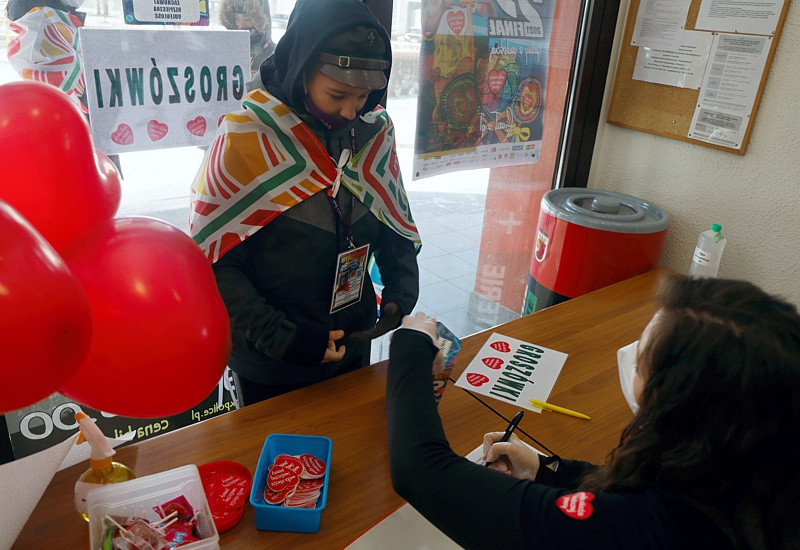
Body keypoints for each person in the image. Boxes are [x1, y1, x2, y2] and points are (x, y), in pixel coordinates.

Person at [387, 274, 800, 549]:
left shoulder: (646, 530)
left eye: (641, 364)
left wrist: (411, 348)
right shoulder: (758, 471)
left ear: (679, 410)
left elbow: (420, 471)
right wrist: (551, 470)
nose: (627, 359)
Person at [189, 0, 420, 406]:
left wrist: (402, 289)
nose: (352, 111)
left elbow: (389, 217)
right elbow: (215, 263)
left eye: (364, 96)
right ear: (300, 66)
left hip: (354, 338)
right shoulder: (247, 137)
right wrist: (284, 338)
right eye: (338, 94)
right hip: (275, 357)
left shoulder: (373, 131)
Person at [219, 0, 275, 77]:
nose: (241, 25)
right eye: (237, 19)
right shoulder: (228, 51)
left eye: (247, 19)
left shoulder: (273, 54)